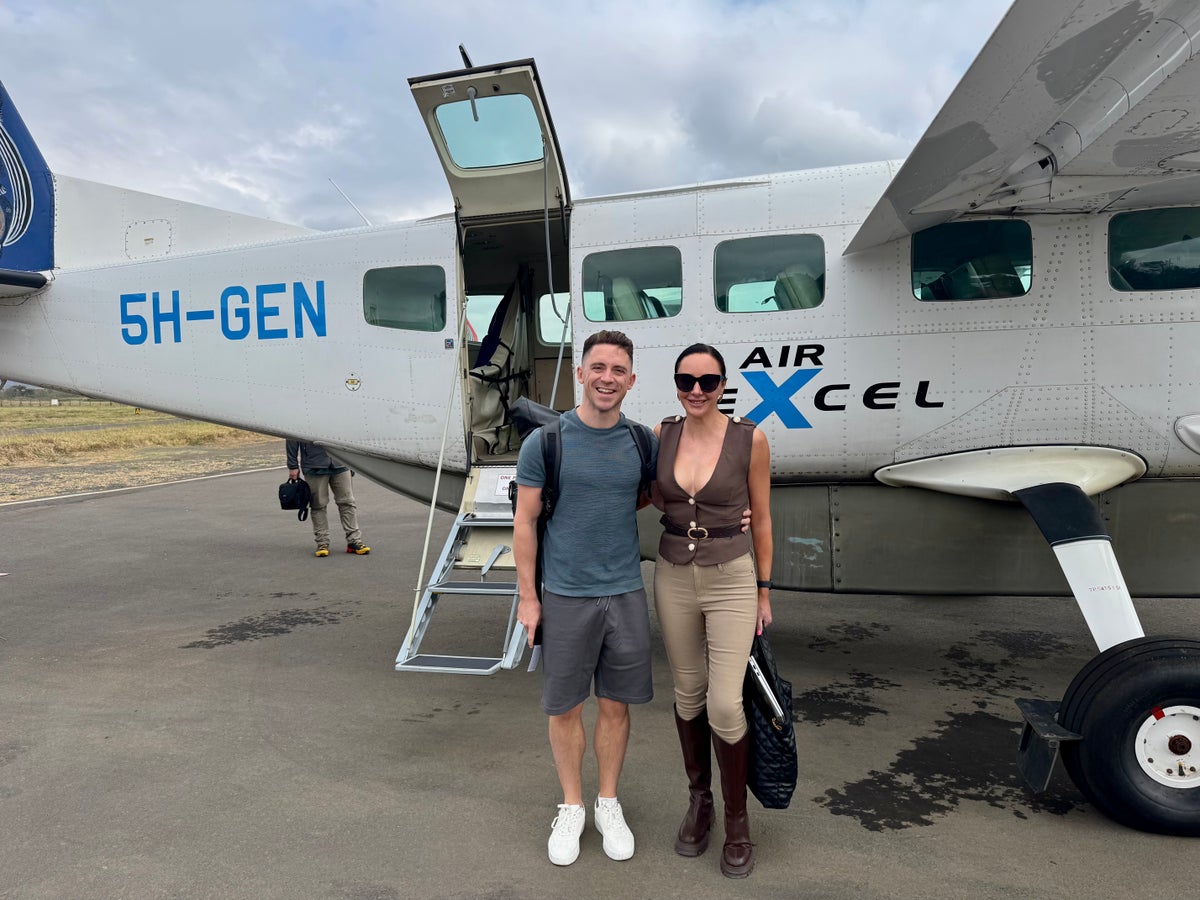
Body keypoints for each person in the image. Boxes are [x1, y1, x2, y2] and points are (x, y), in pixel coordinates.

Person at [513, 330, 657, 867]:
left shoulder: (643, 442)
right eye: (597, 367)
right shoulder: (544, 443)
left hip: (624, 592)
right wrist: (529, 599)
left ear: (631, 380)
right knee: (566, 706)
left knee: (617, 706)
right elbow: (524, 524)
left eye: (618, 370)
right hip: (566, 595)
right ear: (580, 373)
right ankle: (571, 804)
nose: (607, 378)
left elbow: (667, 492)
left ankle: (607, 803)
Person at [652, 343, 773, 879]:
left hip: (732, 578)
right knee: (687, 692)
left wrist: (764, 592)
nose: (696, 390)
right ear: (676, 383)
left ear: (724, 384)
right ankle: (699, 802)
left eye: (708, 381)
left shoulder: (751, 439)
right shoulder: (663, 434)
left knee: (726, 704)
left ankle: (737, 819)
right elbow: (651, 494)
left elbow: (763, 520)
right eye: (686, 379)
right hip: (674, 575)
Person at [285, 440, 370, 557]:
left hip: (341, 463)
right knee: (318, 504)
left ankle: (354, 541)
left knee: (347, 502)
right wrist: (293, 465)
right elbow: (291, 438)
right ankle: (322, 542)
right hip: (314, 465)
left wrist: (352, 462)